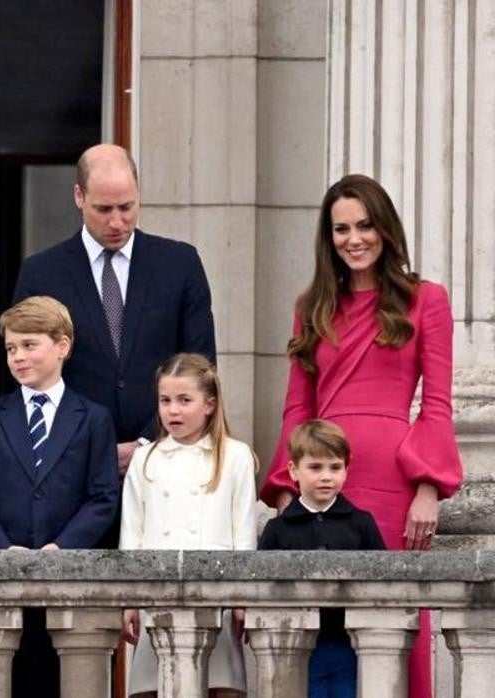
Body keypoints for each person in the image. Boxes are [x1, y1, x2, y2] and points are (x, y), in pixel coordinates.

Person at [259, 174, 463, 698]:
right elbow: (297, 407)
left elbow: (437, 403)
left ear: (385, 229)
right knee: (316, 625)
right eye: (341, 229)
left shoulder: (426, 300)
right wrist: (286, 489)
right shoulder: (312, 306)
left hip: (393, 485)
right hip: (320, 478)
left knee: (391, 620)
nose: (355, 239)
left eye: (365, 225)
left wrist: (428, 488)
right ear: (328, 238)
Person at [14, 144, 215, 484]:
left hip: (166, 462)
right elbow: (28, 374)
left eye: (127, 207)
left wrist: (146, 441)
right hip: (73, 469)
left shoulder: (179, 265)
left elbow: (200, 364)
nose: (117, 222)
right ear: (79, 196)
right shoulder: (41, 274)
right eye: (103, 209)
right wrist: (93, 445)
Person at [0, 295, 119, 697]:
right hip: (2, 580)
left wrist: (62, 547)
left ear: (62, 346)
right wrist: (2, 549)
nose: (18, 357)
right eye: (11, 348)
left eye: (29, 345)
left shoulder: (93, 418)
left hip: (70, 580)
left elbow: (103, 497)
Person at [120, 353, 255, 698]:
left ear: (209, 404)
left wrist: (242, 598)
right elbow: (132, 533)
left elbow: (243, 532)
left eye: (184, 400)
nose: (173, 411)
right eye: (165, 401)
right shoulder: (145, 459)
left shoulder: (235, 456)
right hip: (156, 593)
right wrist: (129, 600)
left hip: (217, 594)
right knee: (151, 688)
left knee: (219, 685)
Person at [259, 419, 385, 698]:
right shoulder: (277, 529)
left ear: (346, 470)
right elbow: (261, 587)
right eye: (315, 467)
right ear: (293, 470)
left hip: (347, 642)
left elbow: (383, 581)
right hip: (293, 641)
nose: (326, 476)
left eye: (335, 467)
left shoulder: (361, 523)